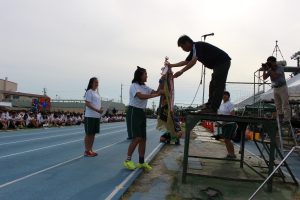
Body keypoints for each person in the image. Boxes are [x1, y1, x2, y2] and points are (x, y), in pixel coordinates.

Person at [167, 35, 231, 114]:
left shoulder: (197, 46)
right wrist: (172, 65)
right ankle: (209, 106)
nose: (183, 49)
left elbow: (193, 61)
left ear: (187, 43)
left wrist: (181, 71)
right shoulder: (193, 50)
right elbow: (186, 62)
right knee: (212, 85)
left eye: (183, 47)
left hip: (222, 61)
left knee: (218, 84)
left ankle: (213, 108)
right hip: (217, 65)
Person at [123, 66, 163, 171]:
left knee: (143, 139)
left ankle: (141, 162)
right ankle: (127, 161)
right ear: (140, 75)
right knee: (136, 138)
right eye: (145, 74)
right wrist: (156, 95)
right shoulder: (134, 86)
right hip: (134, 112)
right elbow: (140, 96)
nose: (147, 76)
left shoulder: (145, 87)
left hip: (141, 113)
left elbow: (157, 91)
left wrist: (161, 81)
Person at [262, 56, 290, 124]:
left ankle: (286, 119)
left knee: (285, 104)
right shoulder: (270, 69)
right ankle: (280, 117)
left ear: (274, 62)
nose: (269, 64)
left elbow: (275, 76)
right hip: (275, 88)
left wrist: (269, 69)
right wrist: (264, 70)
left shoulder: (279, 67)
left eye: (270, 62)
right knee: (277, 105)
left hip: (282, 87)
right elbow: (264, 77)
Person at [84, 77, 103, 157]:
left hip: (96, 116)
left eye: (98, 82)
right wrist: (97, 110)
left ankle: (90, 149)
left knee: (93, 134)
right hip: (90, 116)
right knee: (89, 134)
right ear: (91, 83)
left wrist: (101, 109)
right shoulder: (89, 92)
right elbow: (87, 104)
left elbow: (97, 104)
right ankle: (87, 151)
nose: (97, 84)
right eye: (95, 82)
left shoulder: (97, 93)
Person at [217, 91, 237, 159]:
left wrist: (226, 121)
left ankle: (233, 154)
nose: (224, 96)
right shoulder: (222, 104)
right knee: (225, 140)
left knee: (228, 139)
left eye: (226, 95)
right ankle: (229, 153)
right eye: (223, 95)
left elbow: (233, 115)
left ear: (228, 96)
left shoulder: (230, 104)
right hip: (224, 124)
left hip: (230, 124)